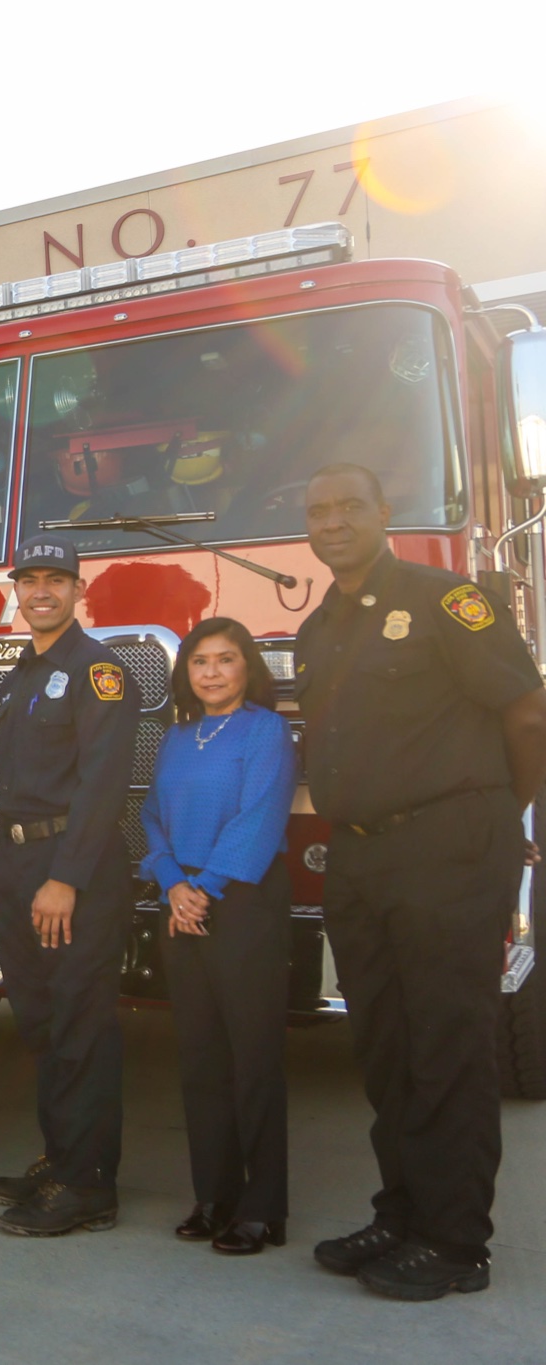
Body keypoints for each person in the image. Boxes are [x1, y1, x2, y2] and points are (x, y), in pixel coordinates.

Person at [294, 463, 546, 1301]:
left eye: (348, 507)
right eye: (318, 511)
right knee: (386, 1047)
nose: (332, 522)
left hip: (448, 845)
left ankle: (455, 1241)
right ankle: (400, 1212)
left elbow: (528, 711)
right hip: (360, 855)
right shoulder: (321, 624)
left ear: (382, 512)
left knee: (449, 1045)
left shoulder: (446, 600)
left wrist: (500, 813)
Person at [0, 534, 139, 1237]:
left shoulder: (98, 672)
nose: (41, 590)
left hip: (71, 869)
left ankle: (88, 1186)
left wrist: (65, 878)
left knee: (80, 1025)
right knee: (42, 1023)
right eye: (30, 580)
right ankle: (64, 1155)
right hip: (17, 868)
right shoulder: (23, 671)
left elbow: (103, 786)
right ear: (17, 590)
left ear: (80, 590)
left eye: (55, 579)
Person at [138, 619, 295, 1254]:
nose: (211, 672)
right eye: (200, 662)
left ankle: (263, 1209)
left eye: (225, 660)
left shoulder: (266, 730)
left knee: (252, 1057)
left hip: (241, 905)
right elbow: (151, 815)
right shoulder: (177, 737)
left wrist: (204, 888)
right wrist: (174, 884)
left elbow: (260, 815)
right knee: (201, 1057)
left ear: (246, 667)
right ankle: (214, 1196)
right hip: (181, 908)